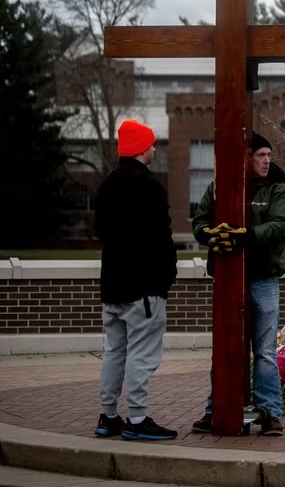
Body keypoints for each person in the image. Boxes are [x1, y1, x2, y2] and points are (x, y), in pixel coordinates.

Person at [190, 132, 285, 436]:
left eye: (269, 156)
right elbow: (199, 222)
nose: (266, 161)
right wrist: (211, 236)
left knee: (264, 351)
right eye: (260, 155)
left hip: (263, 278)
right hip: (228, 280)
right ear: (246, 158)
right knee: (225, 347)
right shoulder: (221, 188)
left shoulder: (276, 189)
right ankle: (216, 409)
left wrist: (246, 235)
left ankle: (270, 412)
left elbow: (280, 225)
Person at [94, 119, 178, 441]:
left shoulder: (107, 185)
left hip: (112, 286)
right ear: (142, 148)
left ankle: (108, 416)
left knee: (115, 351)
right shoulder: (149, 186)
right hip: (143, 289)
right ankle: (138, 418)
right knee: (142, 354)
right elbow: (161, 236)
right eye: (152, 144)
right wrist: (165, 275)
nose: (155, 148)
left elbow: (101, 233)